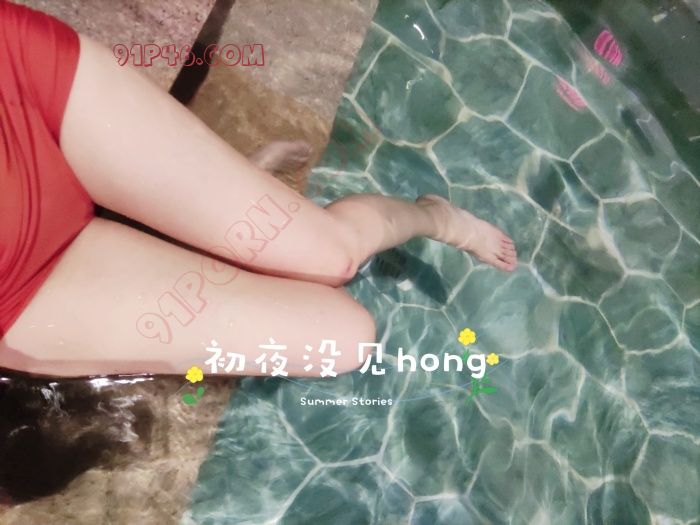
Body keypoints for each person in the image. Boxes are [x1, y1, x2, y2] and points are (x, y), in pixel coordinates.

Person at [0, 0, 517, 378]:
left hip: (19, 90)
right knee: (341, 342)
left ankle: (437, 217)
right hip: (17, 282)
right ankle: (230, 204)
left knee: (334, 255)